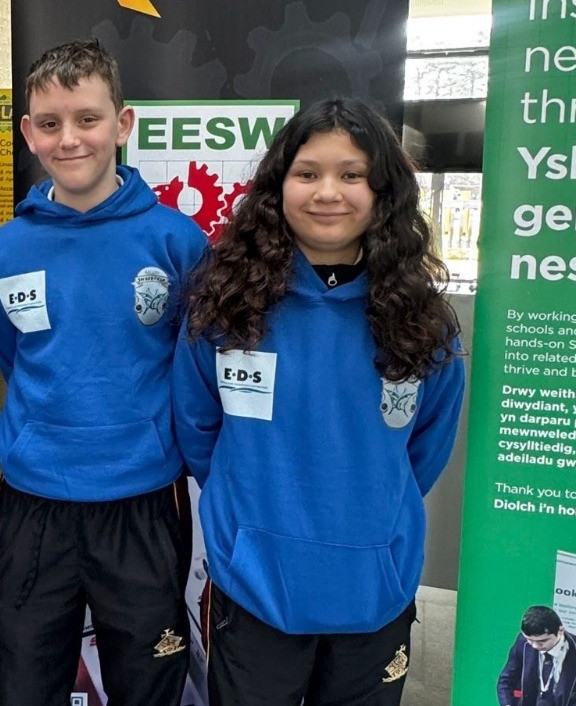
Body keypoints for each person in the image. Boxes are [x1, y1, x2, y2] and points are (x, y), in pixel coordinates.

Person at [174, 97, 466, 705]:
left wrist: (369, 524)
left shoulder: (423, 321)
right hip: (254, 587)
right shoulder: (226, 305)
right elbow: (199, 429)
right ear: (278, 188)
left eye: (351, 174)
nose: (327, 192)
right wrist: (250, 522)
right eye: (307, 173)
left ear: (382, 191)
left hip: (374, 590)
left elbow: (424, 450)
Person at [0, 38, 207, 705]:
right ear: (29, 133)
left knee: (148, 689)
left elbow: (194, 370)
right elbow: (13, 354)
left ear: (123, 123)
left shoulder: (178, 242)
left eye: (88, 118)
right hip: (33, 505)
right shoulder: (6, 247)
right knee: (24, 687)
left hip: (143, 504)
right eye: (50, 124)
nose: (70, 139)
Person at [499, 606, 576, 706]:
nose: (535, 646)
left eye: (542, 641)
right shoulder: (523, 642)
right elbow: (506, 681)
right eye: (530, 640)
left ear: (560, 631)